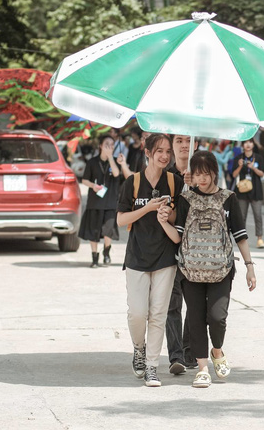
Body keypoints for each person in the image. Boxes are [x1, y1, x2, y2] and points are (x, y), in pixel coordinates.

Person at [164, 151, 256, 388]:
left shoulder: (229, 198)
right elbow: (178, 236)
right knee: (195, 319)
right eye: (197, 174)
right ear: (191, 175)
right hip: (190, 270)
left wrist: (249, 267)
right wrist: (163, 220)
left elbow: (241, 236)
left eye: (206, 173)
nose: (202, 179)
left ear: (215, 172)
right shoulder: (186, 199)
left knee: (217, 318)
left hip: (221, 269)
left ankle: (217, 350)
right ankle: (203, 369)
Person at [116, 133, 185, 387]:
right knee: (137, 313)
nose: (165, 156)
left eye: (168, 151)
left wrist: (168, 213)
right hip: (137, 256)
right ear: (148, 153)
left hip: (165, 258)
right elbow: (121, 220)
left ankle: (152, 367)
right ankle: (138, 348)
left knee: (158, 314)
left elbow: (180, 216)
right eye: (160, 151)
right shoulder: (132, 183)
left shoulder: (174, 182)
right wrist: (148, 208)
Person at [164, 134, 199, 374]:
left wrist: (195, 185)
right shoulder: (164, 176)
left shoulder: (204, 173)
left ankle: (189, 351)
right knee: (172, 304)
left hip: (197, 250)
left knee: (195, 304)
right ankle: (175, 355)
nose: (184, 145)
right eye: (179, 141)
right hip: (168, 248)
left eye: (188, 140)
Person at [79, 134, 121, 267]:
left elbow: (116, 174)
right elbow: (84, 180)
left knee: (108, 229)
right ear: (100, 146)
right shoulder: (92, 162)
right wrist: (93, 186)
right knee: (94, 231)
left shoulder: (114, 161)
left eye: (112, 145)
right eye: (107, 144)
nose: (110, 147)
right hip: (95, 202)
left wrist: (110, 158)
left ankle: (106, 253)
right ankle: (94, 257)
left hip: (110, 202)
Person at [232, 139, 264, 249]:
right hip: (242, 191)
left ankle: (259, 239)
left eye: (250, 142)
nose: (248, 144)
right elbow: (233, 175)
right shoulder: (238, 158)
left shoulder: (259, 157)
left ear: (253, 144)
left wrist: (253, 167)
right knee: (241, 216)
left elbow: (262, 174)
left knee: (258, 215)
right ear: (242, 145)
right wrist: (240, 166)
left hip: (256, 190)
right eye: (245, 142)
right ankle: (242, 239)